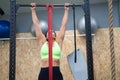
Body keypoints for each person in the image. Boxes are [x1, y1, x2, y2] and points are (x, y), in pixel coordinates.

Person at [30, 2, 69, 80]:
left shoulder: (58, 41)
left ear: (55, 35)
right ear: (46, 36)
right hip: (44, 72)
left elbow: (63, 25)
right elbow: (36, 25)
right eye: (49, 32)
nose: (51, 33)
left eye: (53, 32)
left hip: (56, 72)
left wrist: (66, 10)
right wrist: (33, 11)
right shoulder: (43, 42)